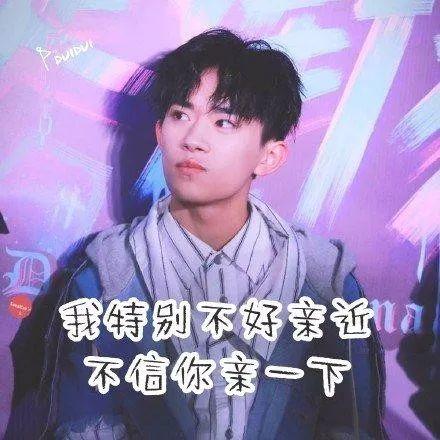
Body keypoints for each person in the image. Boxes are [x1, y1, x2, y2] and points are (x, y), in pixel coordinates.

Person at [7, 28, 388, 439]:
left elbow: (352, 428)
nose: (193, 139)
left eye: (224, 121)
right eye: (180, 115)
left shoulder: (324, 282)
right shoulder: (105, 278)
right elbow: (80, 427)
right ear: (159, 132)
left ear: (269, 155)